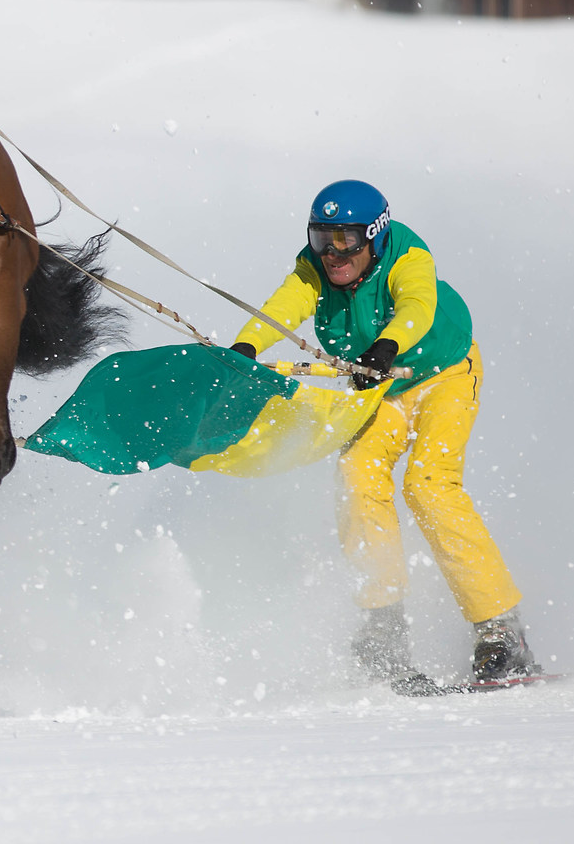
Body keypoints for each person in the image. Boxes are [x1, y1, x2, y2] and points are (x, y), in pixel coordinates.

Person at [230, 180, 538, 688]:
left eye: (347, 240)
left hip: (444, 375)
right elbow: (284, 304)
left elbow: (417, 305)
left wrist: (387, 344)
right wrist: (245, 346)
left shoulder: (408, 255)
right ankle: (383, 629)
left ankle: (501, 631)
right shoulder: (315, 266)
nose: (333, 254)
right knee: (357, 475)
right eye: (321, 239)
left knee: (429, 486)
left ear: (374, 235)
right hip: (384, 389)